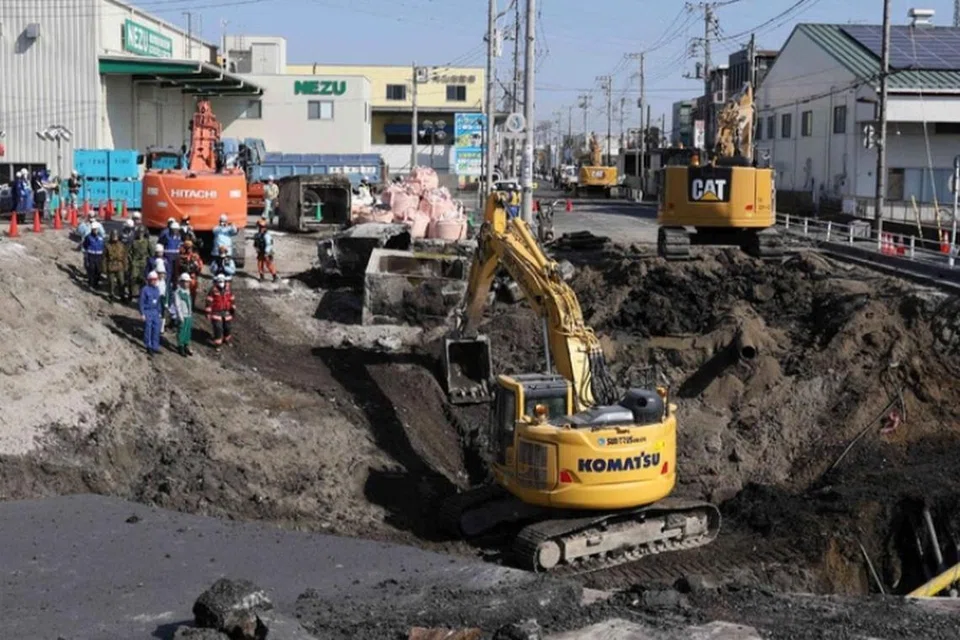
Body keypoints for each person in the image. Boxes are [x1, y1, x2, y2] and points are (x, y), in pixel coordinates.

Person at [206, 274, 235, 350]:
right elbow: (209, 301)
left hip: (226, 311)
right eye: (219, 281)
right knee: (218, 327)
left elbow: (232, 299)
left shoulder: (228, 289)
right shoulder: (213, 290)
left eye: (222, 281)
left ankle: (226, 339)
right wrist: (208, 312)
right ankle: (218, 344)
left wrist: (233, 308)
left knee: (227, 327)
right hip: (216, 312)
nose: (221, 283)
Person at [139, 271, 164, 356]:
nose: (154, 281)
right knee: (148, 329)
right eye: (153, 280)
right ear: (149, 280)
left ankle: (155, 346)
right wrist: (142, 313)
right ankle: (148, 346)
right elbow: (141, 302)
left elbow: (158, 302)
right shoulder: (145, 290)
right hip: (148, 311)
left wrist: (159, 312)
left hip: (155, 311)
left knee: (156, 329)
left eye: (156, 280)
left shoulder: (157, 289)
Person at [170, 273, 195, 357]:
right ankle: (180, 346)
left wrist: (190, 313)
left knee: (187, 331)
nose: (187, 284)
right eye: (185, 282)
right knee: (181, 331)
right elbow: (177, 306)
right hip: (182, 315)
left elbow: (189, 303)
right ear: (181, 282)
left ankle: (186, 345)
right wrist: (180, 316)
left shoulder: (188, 291)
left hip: (188, 315)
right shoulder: (177, 293)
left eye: (188, 282)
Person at [104, 229, 128, 303]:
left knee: (121, 282)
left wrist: (126, 266)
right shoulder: (107, 245)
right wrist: (104, 268)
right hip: (110, 265)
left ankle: (122, 295)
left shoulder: (121, 245)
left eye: (116, 236)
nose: (115, 237)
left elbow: (124, 256)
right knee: (111, 283)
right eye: (113, 236)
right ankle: (111, 295)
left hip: (119, 265)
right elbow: (104, 258)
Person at [178, 240, 204, 308]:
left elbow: (200, 265)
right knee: (182, 291)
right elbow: (178, 266)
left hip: (192, 276)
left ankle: (191, 306)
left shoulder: (195, 256)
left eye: (189, 248)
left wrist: (197, 268)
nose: (188, 249)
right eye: (186, 247)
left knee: (193, 291)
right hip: (183, 276)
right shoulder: (180, 256)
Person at [128, 226, 152, 300]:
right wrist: (131, 260)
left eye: (142, 232)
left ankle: (142, 294)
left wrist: (148, 259)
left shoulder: (147, 242)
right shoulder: (134, 241)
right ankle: (131, 294)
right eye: (139, 232)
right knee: (133, 278)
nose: (140, 234)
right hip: (135, 262)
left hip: (144, 263)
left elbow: (151, 252)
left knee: (143, 279)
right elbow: (129, 252)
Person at [82, 222, 105, 289]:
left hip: (99, 256)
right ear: (92, 230)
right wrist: (86, 255)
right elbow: (85, 245)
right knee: (92, 270)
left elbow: (103, 246)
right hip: (91, 256)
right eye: (94, 229)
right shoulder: (88, 237)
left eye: (96, 229)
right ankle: (91, 283)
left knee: (98, 270)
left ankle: (96, 283)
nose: (95, 231)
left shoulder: (101, 237)